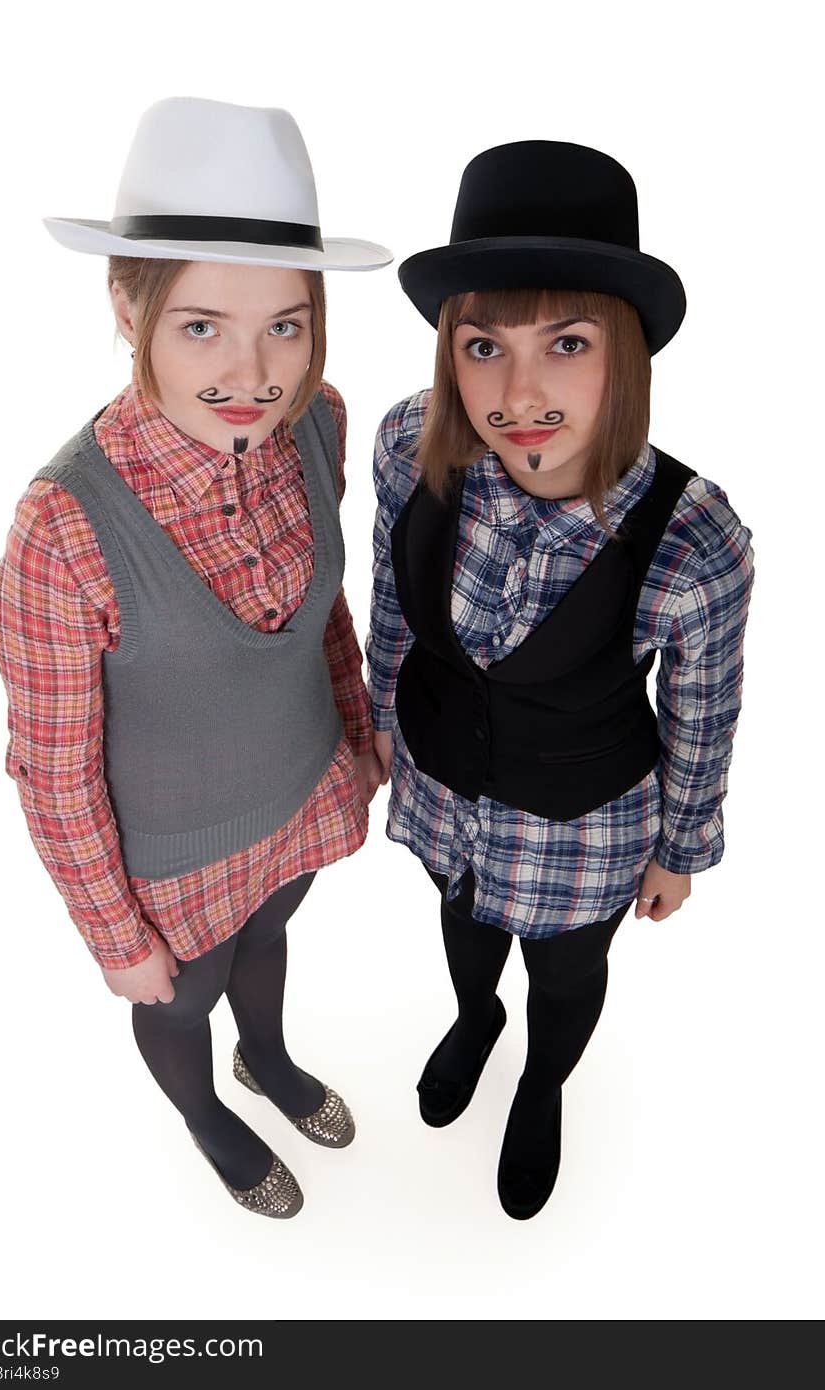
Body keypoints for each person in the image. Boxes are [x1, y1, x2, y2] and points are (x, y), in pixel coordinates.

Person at [0, 97, 391, 1219]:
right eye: (203, 325)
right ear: (129, 305)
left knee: (272, 933)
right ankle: (210, 1112)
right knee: (180, 996)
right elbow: (54, 768)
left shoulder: (319, 422)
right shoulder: (63, 529)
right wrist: (115, 938)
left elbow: (324, 612)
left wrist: (355, 737)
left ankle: (267, 1057)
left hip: (299, 785)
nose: (253, 371)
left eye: (288, 325)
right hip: (167, 855)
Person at [367, 140, 754, 1220]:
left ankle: (541, 1081)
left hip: (582, 821)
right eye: (483, 344)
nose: (518, 392)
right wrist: (382, 708)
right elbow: (392, 586)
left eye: (566, 343)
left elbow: (703, 713)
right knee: (459, 917)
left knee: (566, 971)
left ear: (624, 354)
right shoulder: (413, 443)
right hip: (442, 776)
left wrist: (683, 849)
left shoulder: (693, 538)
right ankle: (473, 1018)